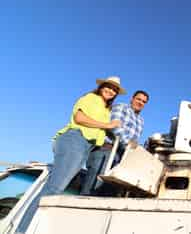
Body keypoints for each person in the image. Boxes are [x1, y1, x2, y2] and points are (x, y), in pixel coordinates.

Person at [16, 76, 125, 233]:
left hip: (86, 146)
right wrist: (108, 125)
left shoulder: (105, 109)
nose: (111, 91)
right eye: (108, 87)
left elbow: (99, 131)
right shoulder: (91, 98)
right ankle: (21, 230)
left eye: (115, 90)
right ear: (101, 87)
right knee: (54, 189)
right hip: (75, 139)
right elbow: (79, 118)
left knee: (57, 188)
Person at [80, 90, 149, 196]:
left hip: (121, 156)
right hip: (106, 150)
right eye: (138, 99)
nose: (140, 103)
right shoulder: (121, 107)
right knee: (93, 188)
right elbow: (115, 127)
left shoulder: (141, 121)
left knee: (109, 192)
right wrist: (129, 144)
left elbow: (135, 141)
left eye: (144, 102)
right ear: (132, 99)